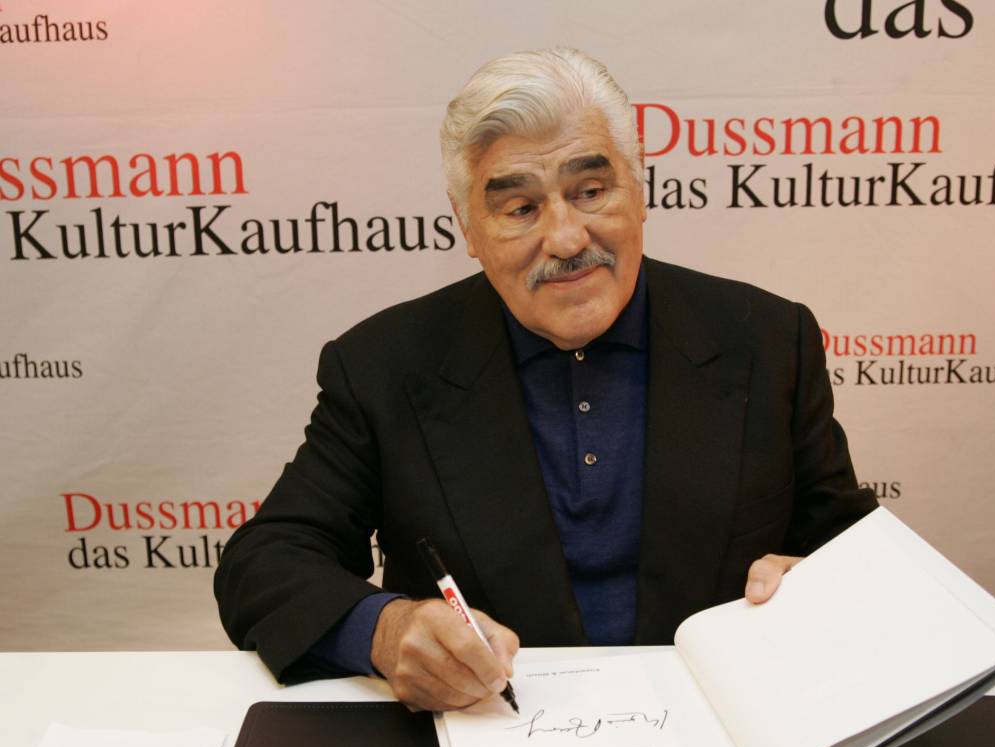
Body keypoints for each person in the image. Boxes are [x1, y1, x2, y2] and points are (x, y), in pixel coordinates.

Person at [214, 48, 877, 712]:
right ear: (468, 227)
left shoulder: (767, 338)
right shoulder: (383, 365)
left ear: (639, 190)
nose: (565, 238)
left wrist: (825, 586)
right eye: (520, 208)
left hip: (726, 728)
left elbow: (855, 552)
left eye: (590, 192)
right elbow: (264, 561)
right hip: (484, 732)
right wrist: (385, 631)